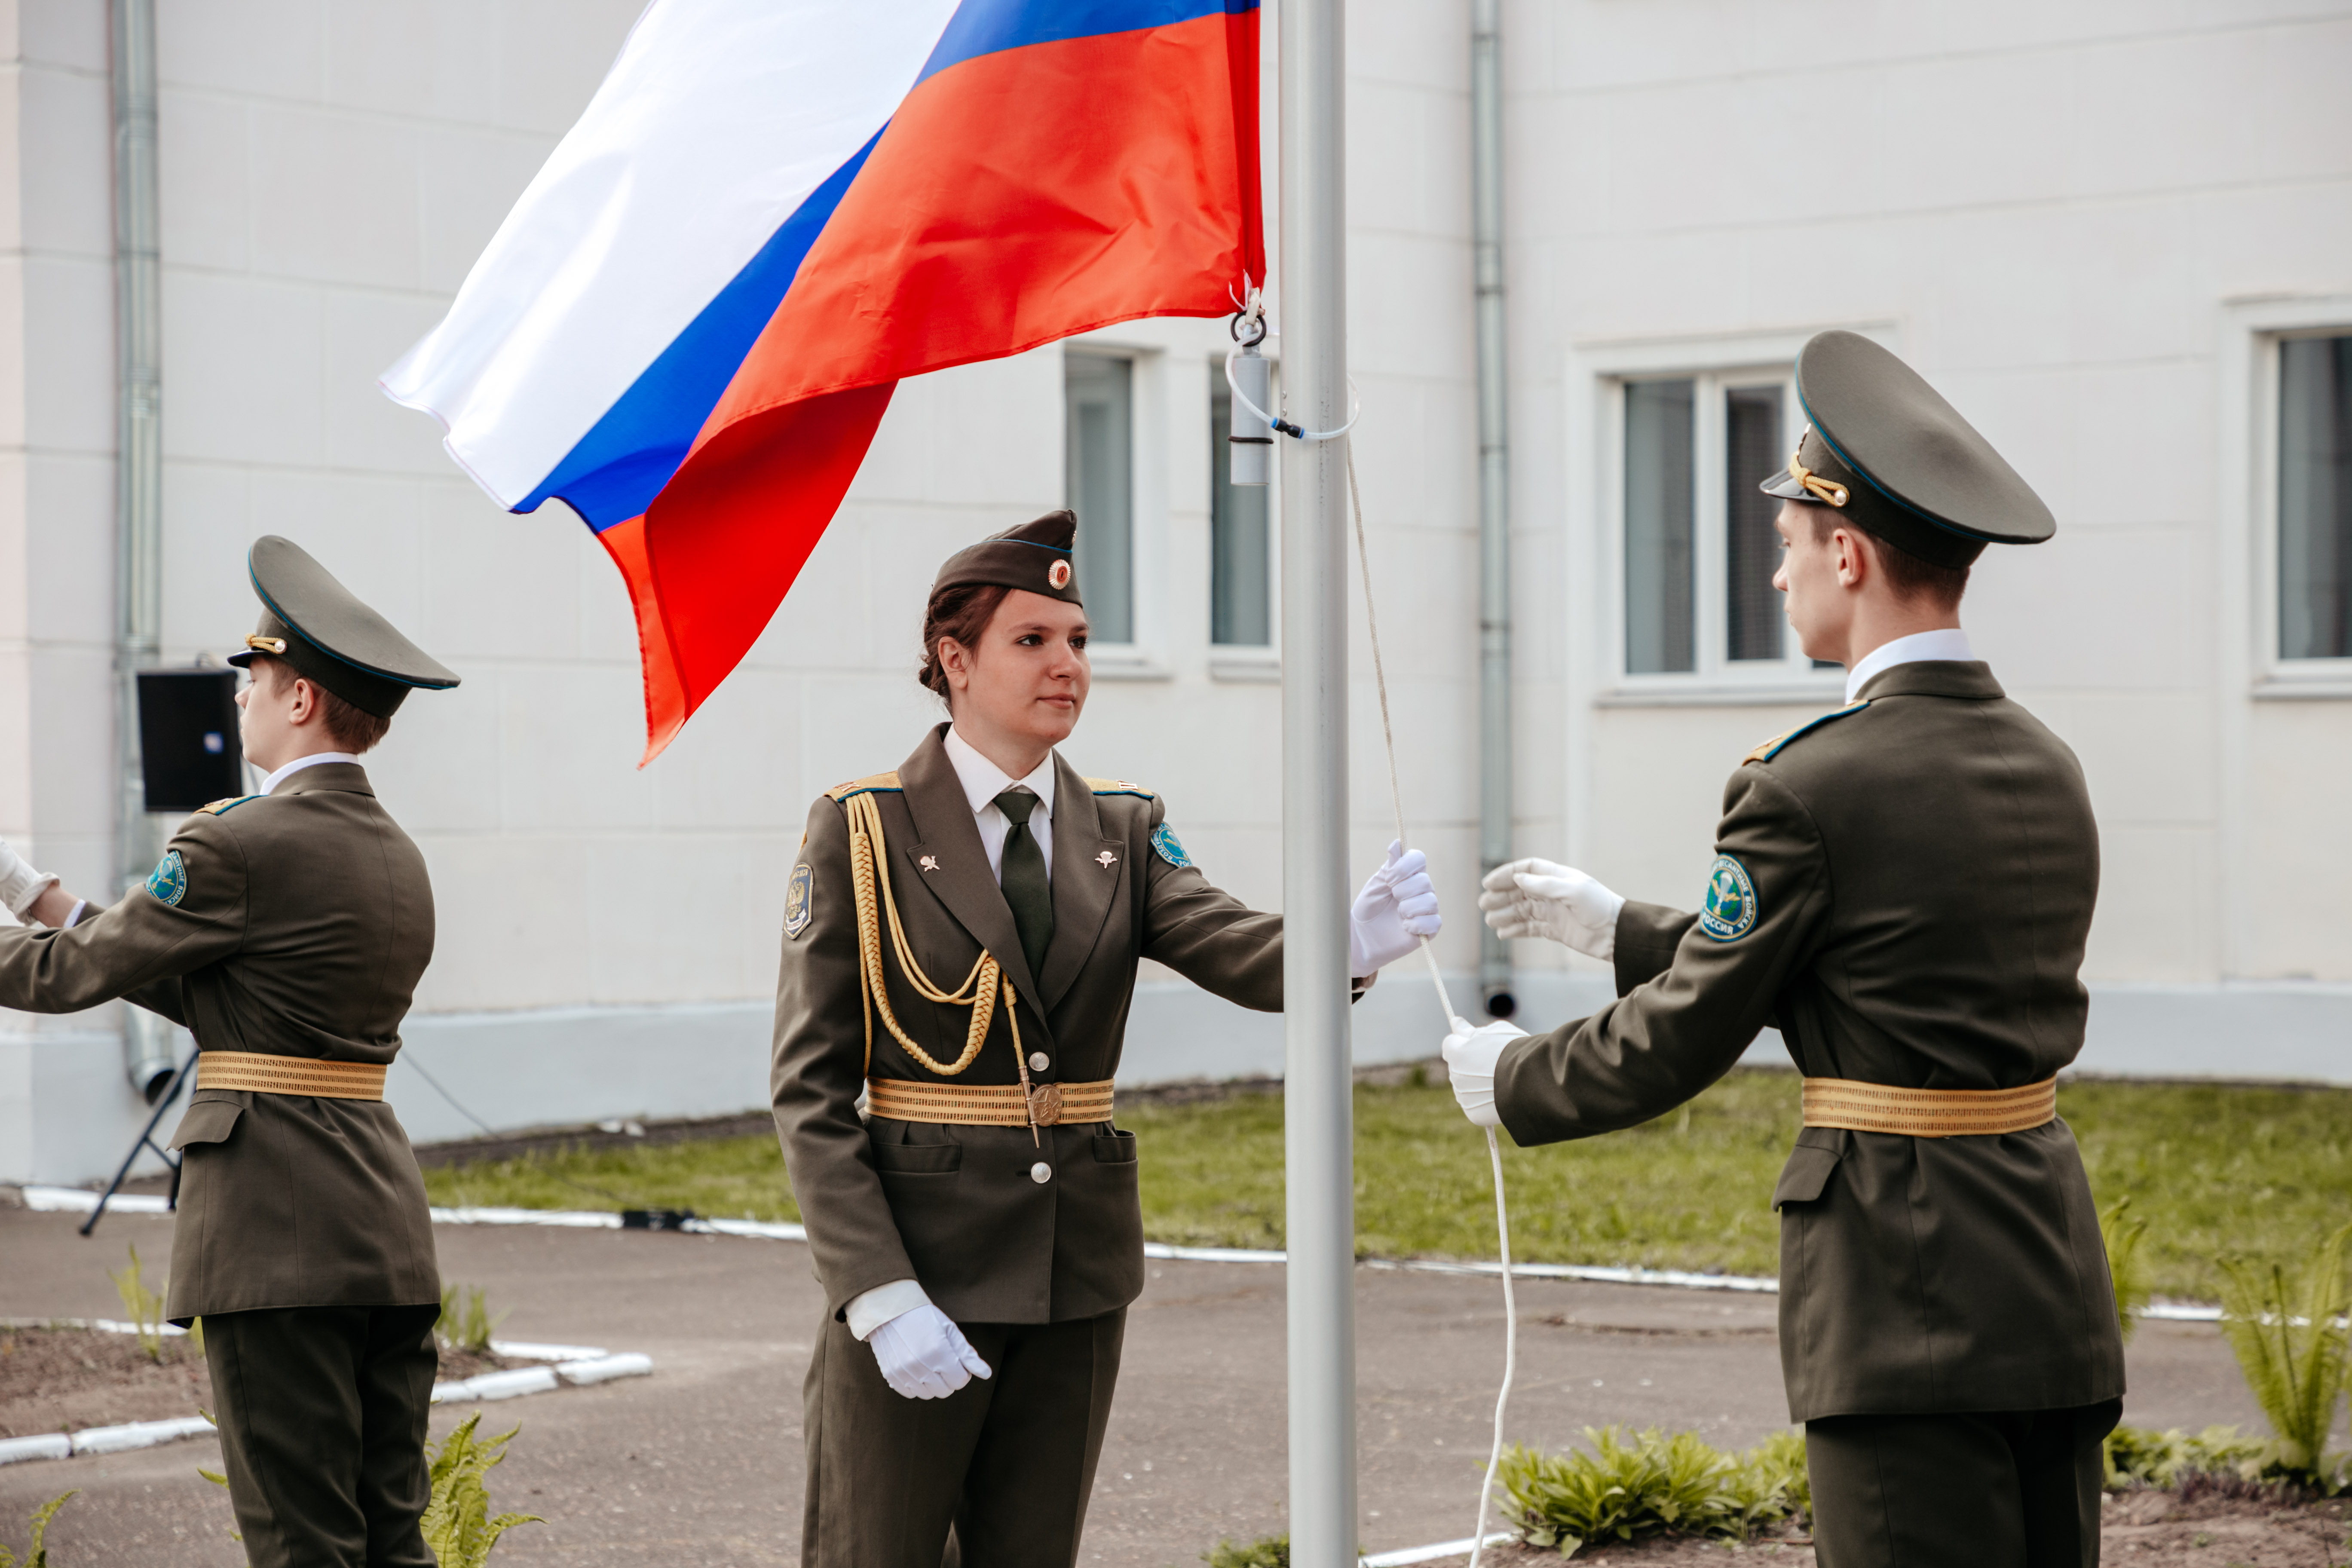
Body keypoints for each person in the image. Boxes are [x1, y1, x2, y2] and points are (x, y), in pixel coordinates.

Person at [1444, 331, 2123, 1568]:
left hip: (1902, 1303)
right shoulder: (2045, 760)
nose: (1778, 576)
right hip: (2046, 1283)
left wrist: (1513, 1077)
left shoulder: (1806, 781)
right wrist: (1623, 926)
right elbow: (1881, 972)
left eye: (1789, 545)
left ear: (1847, 556)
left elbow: (1686, 1034)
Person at [772, 509, 1442, 1568]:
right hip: (922, 1269)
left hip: (1072, 1271)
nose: (1068, 666)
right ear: (956, 660)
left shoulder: (1122, 828)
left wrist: (1343, 943)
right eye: (1033, 640)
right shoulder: (865, 829)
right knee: (873, 1554)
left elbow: (1227, 942)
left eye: (1079, 641)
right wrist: (877, 1290)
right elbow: (810, 1093)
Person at [0, 535, 460, 1568]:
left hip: (273, 1238)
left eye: (254, 674)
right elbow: (215, 993)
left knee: (301, 1544)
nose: (241, 692)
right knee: (391, 1539)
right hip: (381, 1232)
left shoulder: (236, 840)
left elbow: (70, 978)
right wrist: (33, 894)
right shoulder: (398, 856)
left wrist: (33, 927)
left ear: (301, 698)